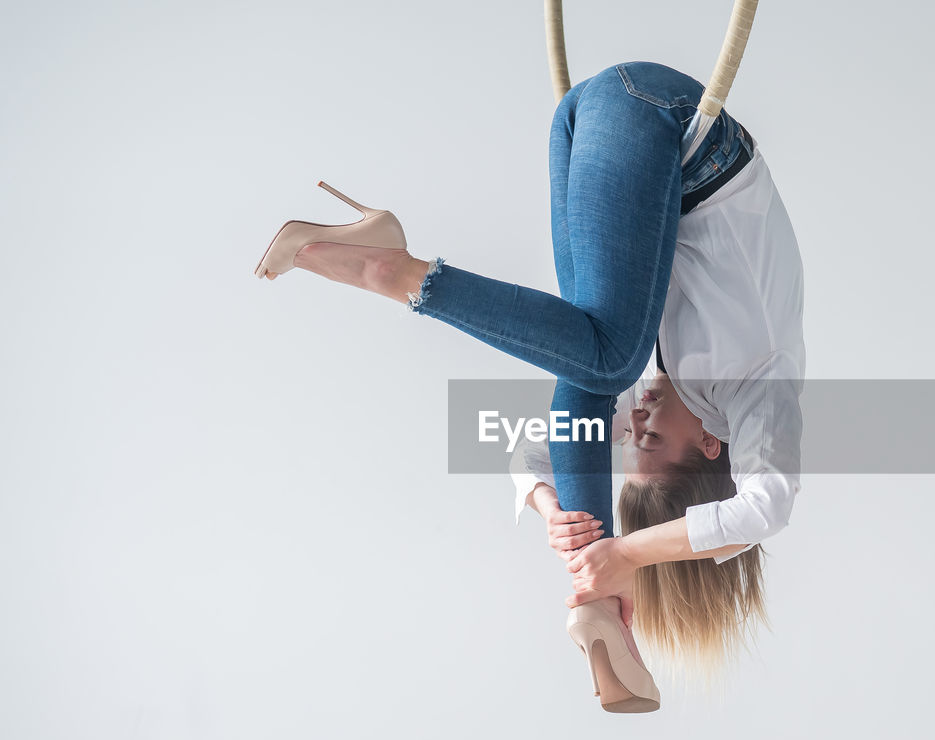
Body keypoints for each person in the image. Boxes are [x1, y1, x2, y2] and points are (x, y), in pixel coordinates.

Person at [255, 61, 804, 684]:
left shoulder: (669, 388)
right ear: (711, 444)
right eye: (651, 438)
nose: (639, 422)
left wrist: (558, 517)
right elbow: (764, 511)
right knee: (609, 361)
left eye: (635, 441)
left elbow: (536, 453)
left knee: (593, 381)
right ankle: (397, 272)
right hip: (668, 123)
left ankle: (599, 609)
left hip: (585, 129)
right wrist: (623, 552)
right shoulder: (761, 387)